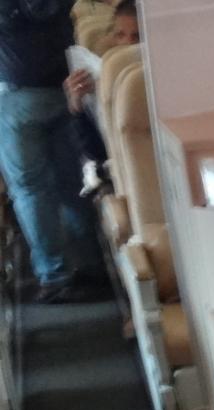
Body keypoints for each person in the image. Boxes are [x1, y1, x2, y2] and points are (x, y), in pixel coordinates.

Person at [0, 0, 107, 302]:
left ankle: (55, 275)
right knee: (71, 182)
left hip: (17, 92)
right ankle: (91, 263)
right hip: (66, 85)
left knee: (31, 190)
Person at [64, 0, 139, 192]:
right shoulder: (101, 72)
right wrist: (77, 105)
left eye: (137, 37)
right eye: (120, 35)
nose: (127, 43)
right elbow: (95, 153)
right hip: (120, 174)